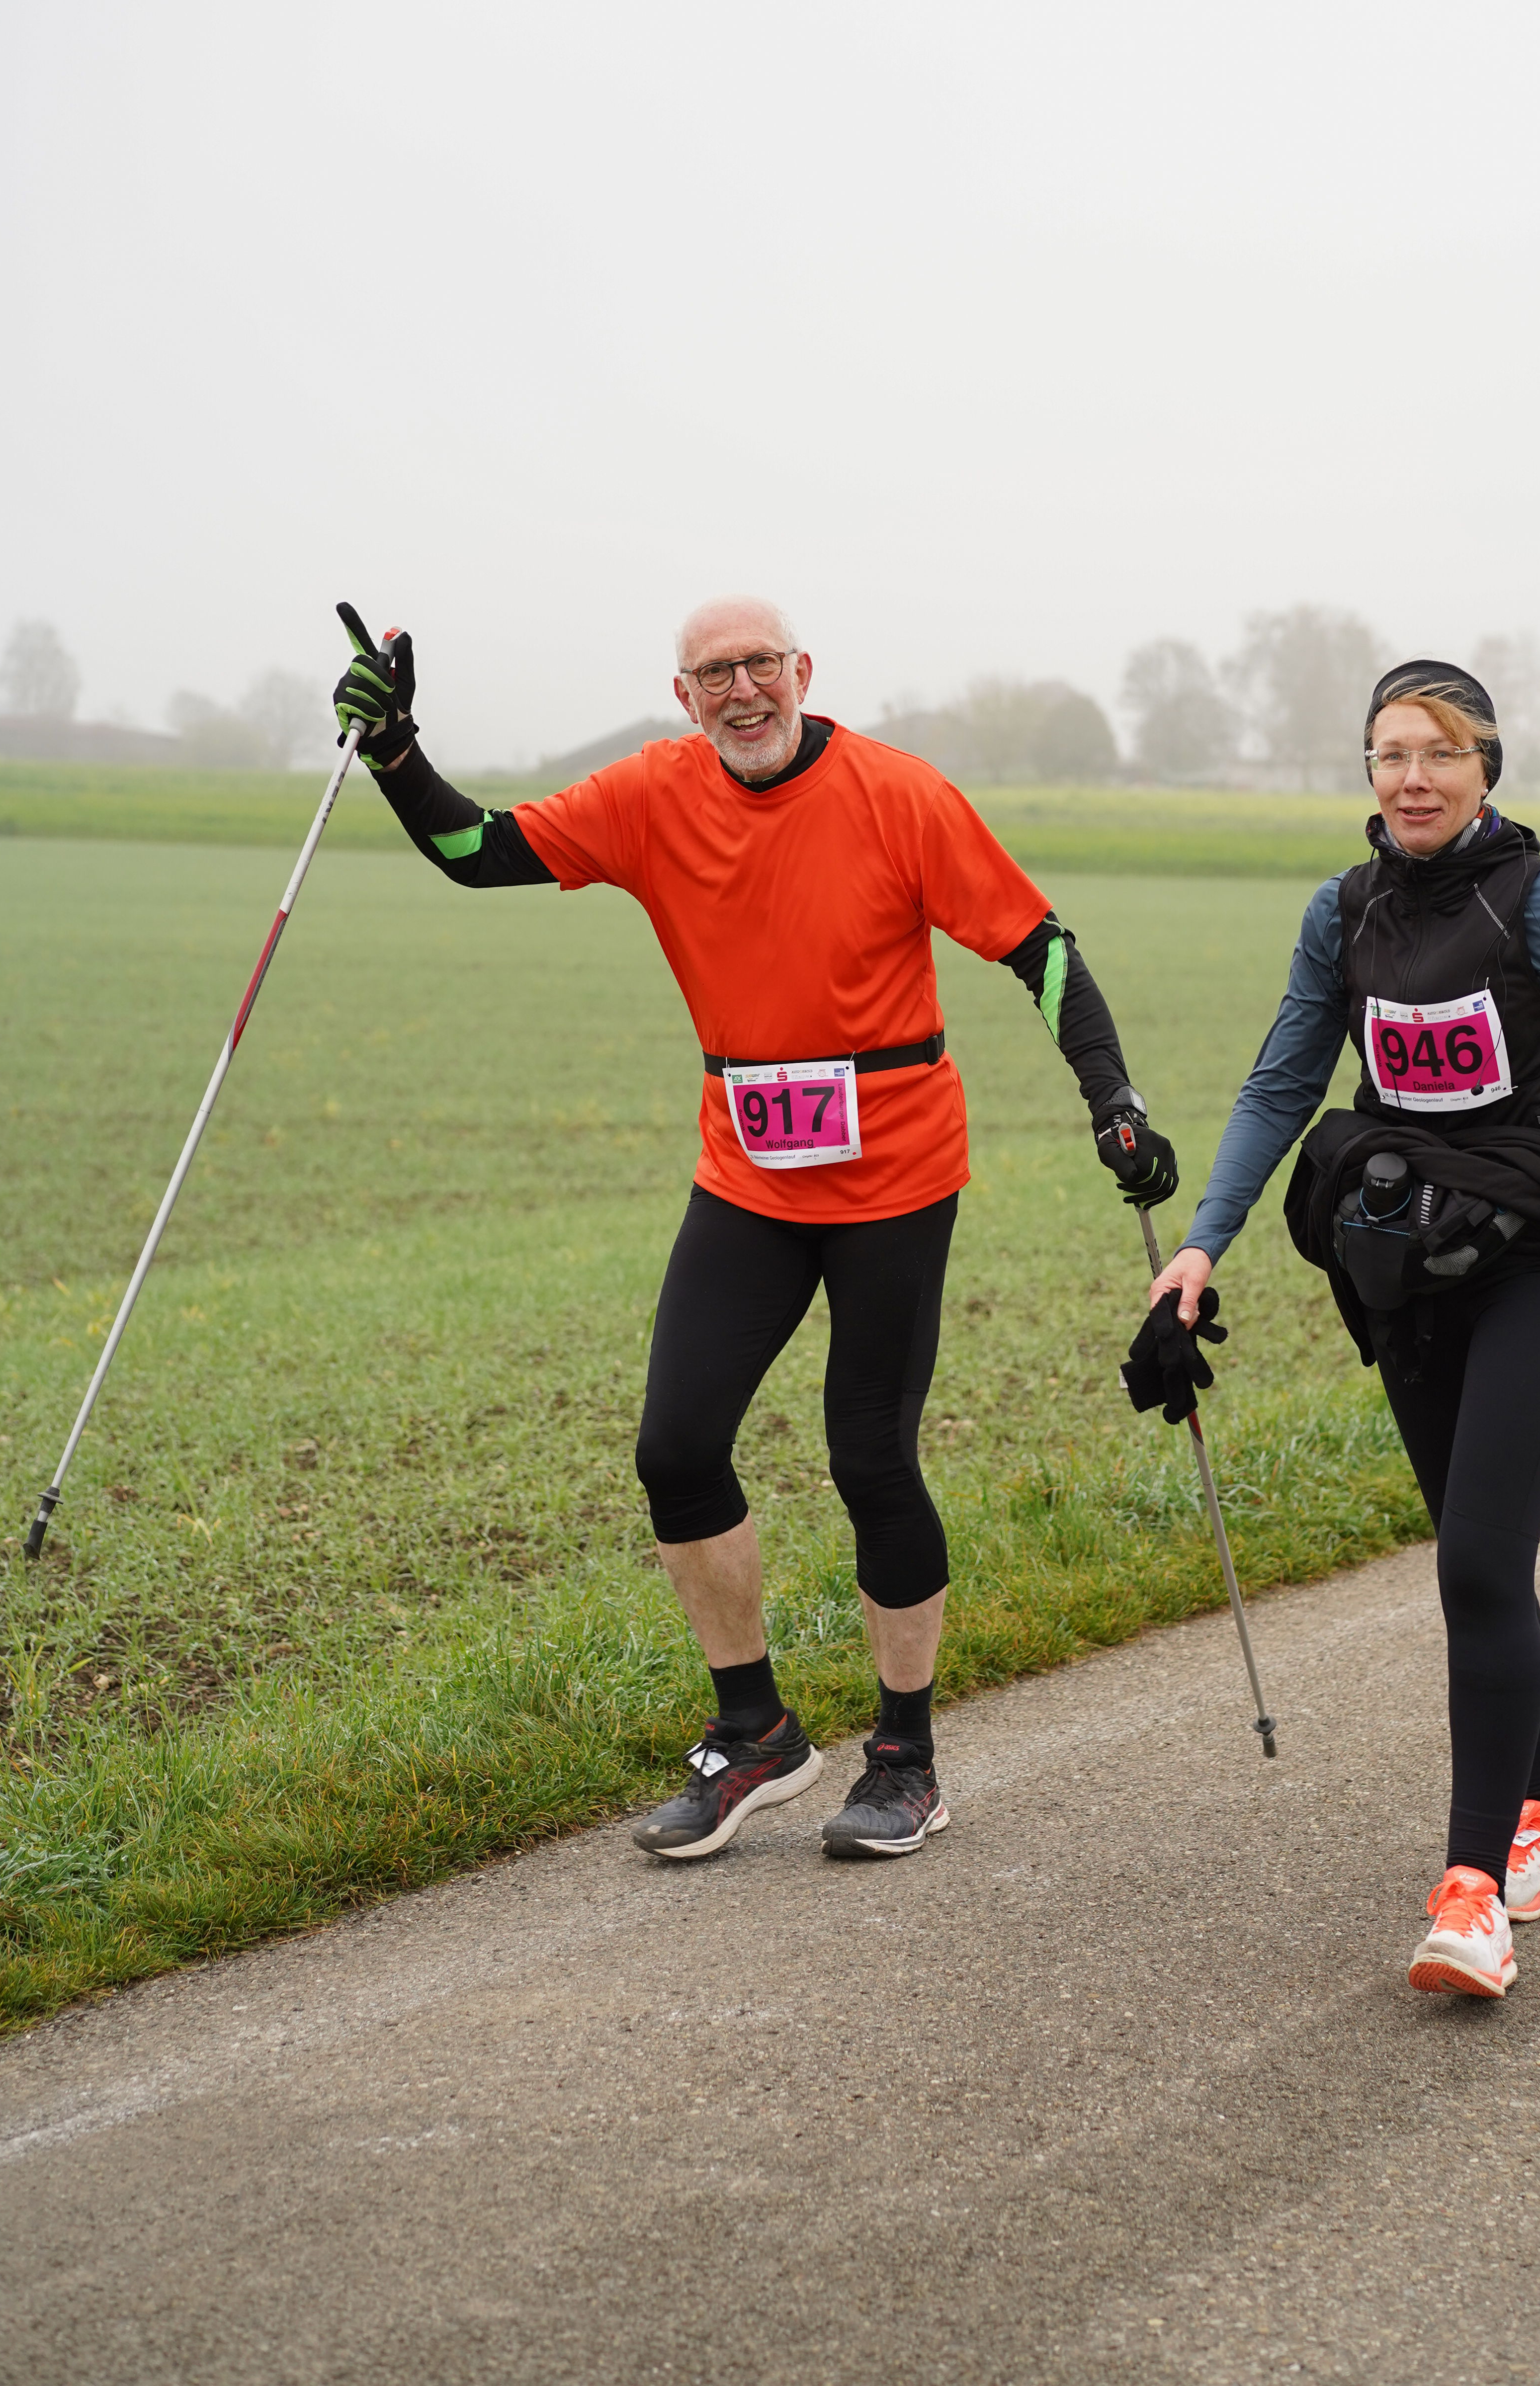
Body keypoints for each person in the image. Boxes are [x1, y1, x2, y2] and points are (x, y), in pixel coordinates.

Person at [332, 596, 1178, 1861]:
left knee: (870, 1459)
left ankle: (906, 1758)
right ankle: (758, 1735)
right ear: (684, 697)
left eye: (760, 666)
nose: (742, 692)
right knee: (675, 1449)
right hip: (749, 1178)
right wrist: (396, 752)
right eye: (714, 674)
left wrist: (1112, 1098)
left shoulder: (901, 795)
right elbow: (475, 850)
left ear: (803, 672)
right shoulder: (651, 795)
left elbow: (1039, 948)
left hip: (895, 1178)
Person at [1147, 660, 1540, 1997]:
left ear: (1486, 768)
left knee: (1482, 1563)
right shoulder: (1344, 914)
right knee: (1478, 1557)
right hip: (1411, 1265)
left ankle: (1475, 1890)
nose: (1414, 780)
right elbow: (1281, 1085)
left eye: (1440, 754)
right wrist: (1204, 1241)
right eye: (1391, 755)